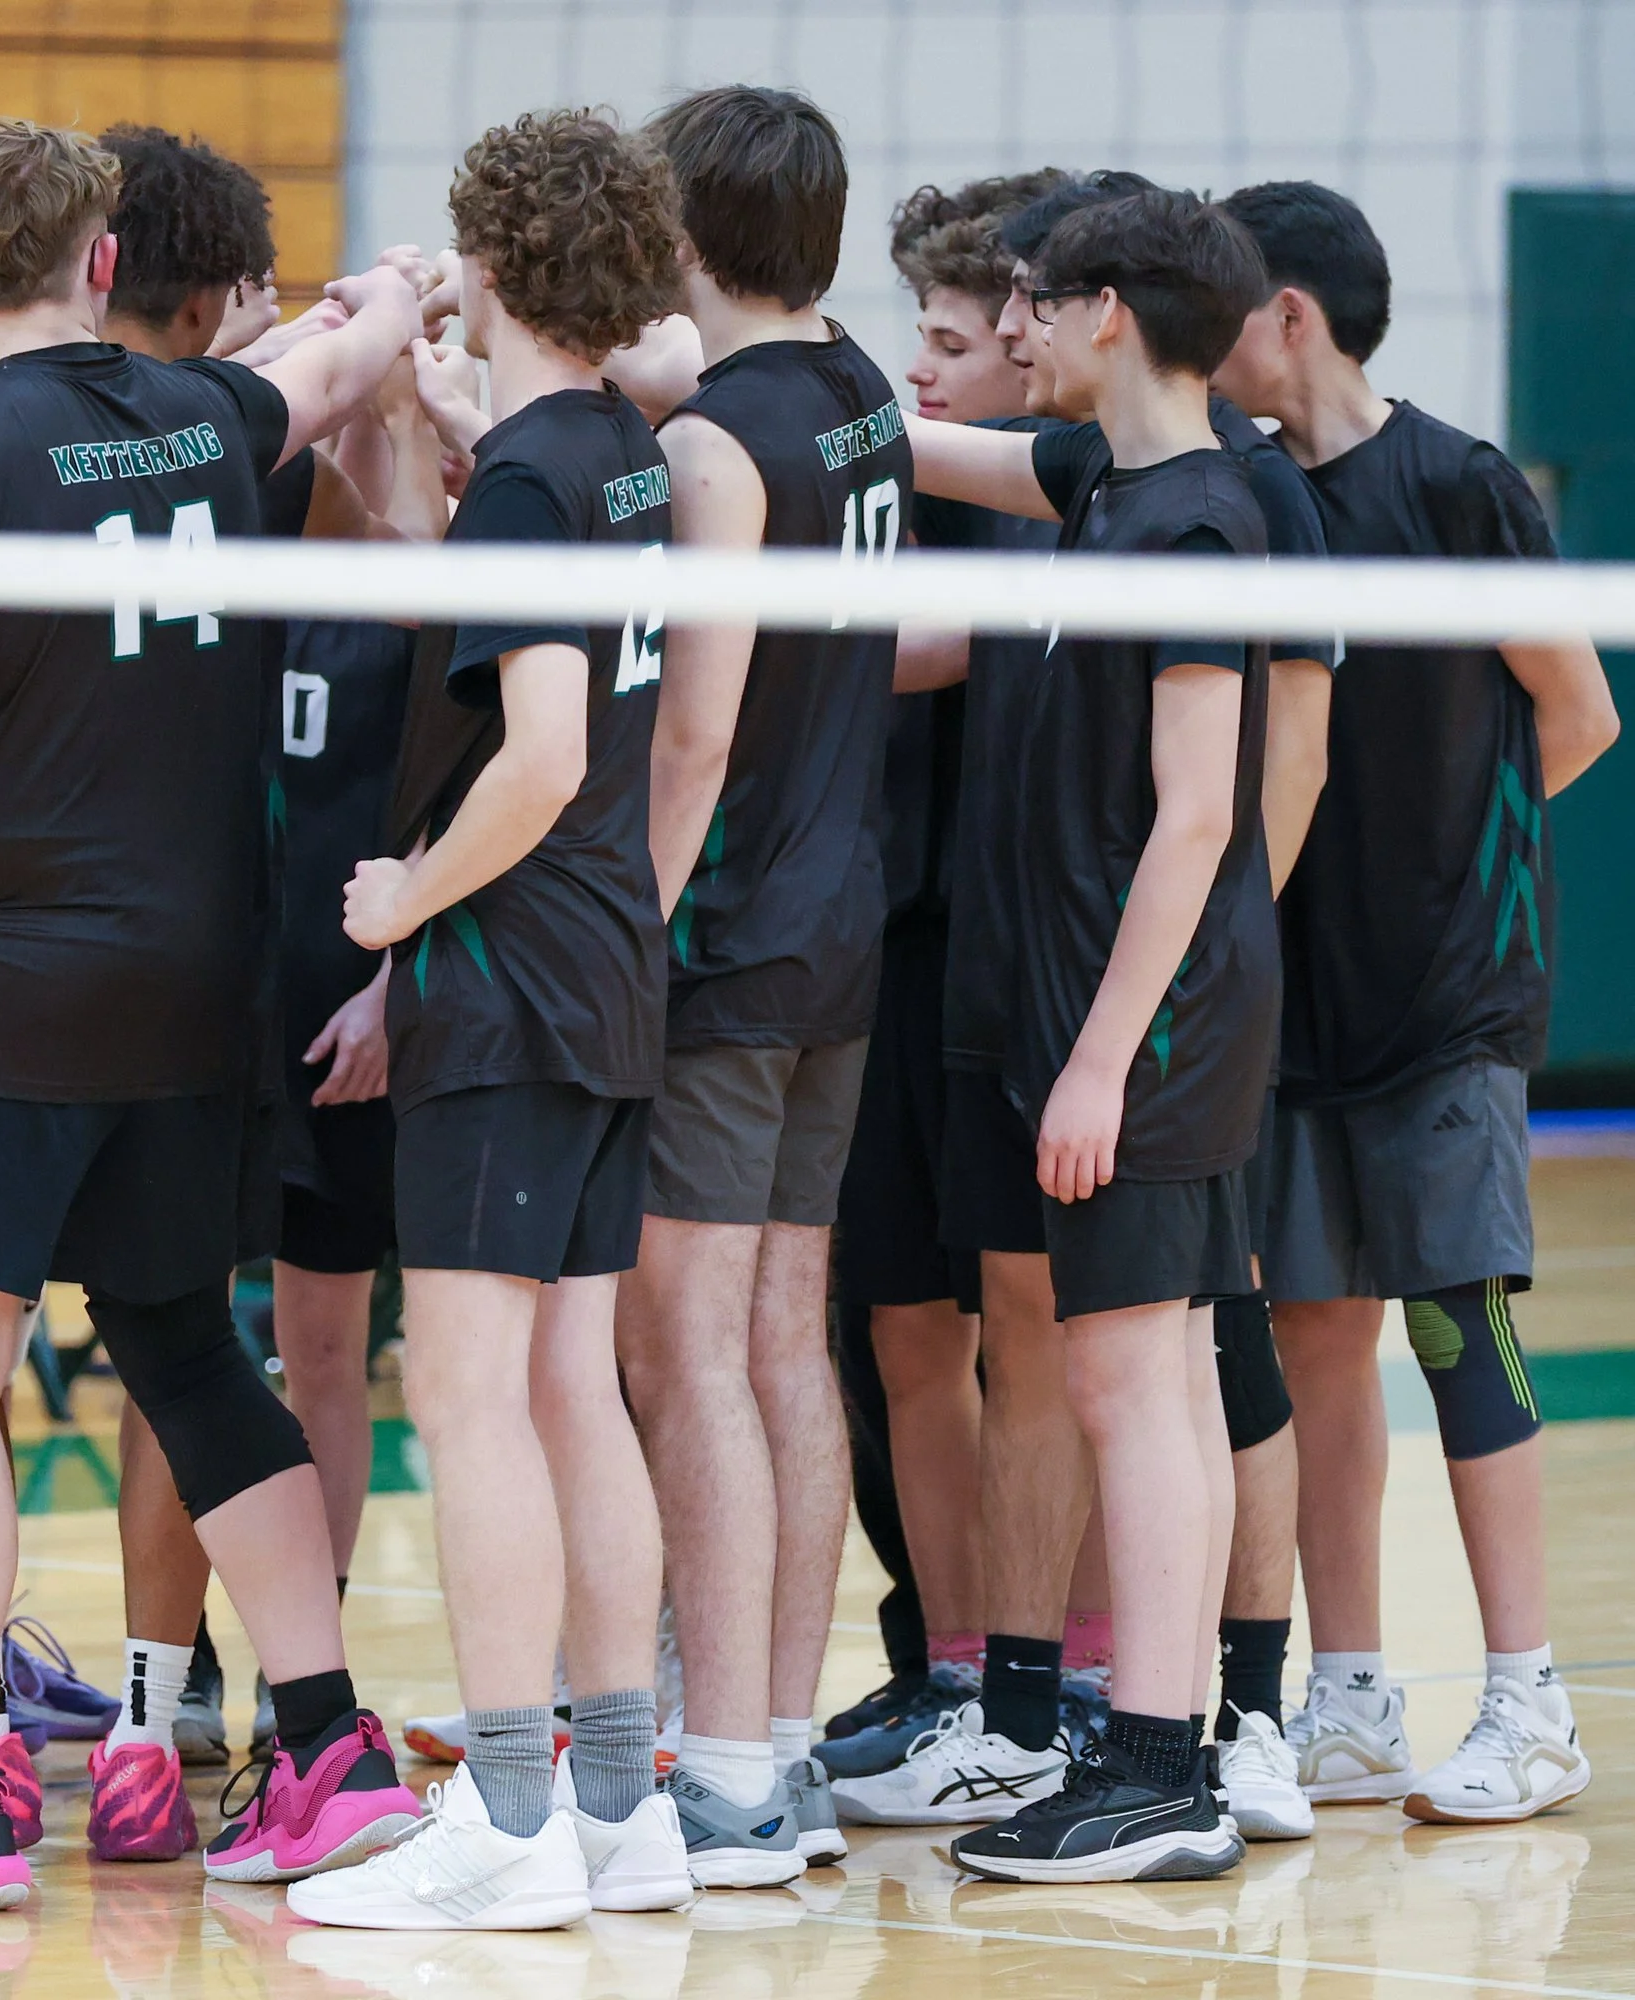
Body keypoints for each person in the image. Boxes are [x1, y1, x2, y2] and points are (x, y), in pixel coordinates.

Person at [0, 117, 428, 1913]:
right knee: (196, 1356)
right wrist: (408, 290)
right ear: (107, 265)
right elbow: (343, 356)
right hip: (194, 995)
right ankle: (331, 1748)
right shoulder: (212, 422)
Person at [286, 109, 690, 1933]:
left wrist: (403, 899)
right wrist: (461, 426)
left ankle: (510, 1817)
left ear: (502, 266)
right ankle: (621, 1811)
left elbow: (537, 758)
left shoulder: (539, 482)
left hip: (509, 978)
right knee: (570, 1391)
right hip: (611, 973)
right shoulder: (616, 456)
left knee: (467, 1397)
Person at [1213, 180, 1619, 1824]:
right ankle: (1356, 1696)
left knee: (1461, 1325)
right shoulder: (1241, 496)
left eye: (1225, 304)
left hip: (1447, 1001)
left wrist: (1463, 876)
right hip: (1295, 1000)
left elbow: (1577, 715)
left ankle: (1529, 1703)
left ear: (1291, 314)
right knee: (1319, 1338)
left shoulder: (1455, 484)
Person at [70, 126, 447, 1858]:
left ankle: (320, 1689)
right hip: (199, 987)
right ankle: (163, 1699)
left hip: (342, 992)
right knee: (178, 1335)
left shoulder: (395, 544)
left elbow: (450, 779)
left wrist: (392, 982)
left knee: (312, 1350)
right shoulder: (193, 486)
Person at [900, 187, 1278, 1883]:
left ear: (1110, 312)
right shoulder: (1097, 487)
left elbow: (1199, 822)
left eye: (1037, 305)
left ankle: (1155, 1772)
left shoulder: (1198, 525)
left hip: (1156, 1028)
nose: (1017, 330)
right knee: (1165, 1376)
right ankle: (1164, 1759)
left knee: (1133, 1378)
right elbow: (925, 452)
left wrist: (1103, 1057)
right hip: (1111, 1016)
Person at [603, 83, 900, 1890]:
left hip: (723, 941)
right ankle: (776, 1748)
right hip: (843, 925)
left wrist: (619, 925)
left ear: (688, 234)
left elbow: (695, 728)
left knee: (684, 1350)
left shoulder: (721, 449)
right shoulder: (859, 395)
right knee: (785, 1344)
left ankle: (715, 1772)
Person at [818, 170, 1061, 1768]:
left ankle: (1084, 1668)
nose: (920, 365)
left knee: (1055, 1340)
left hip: (1026, 968)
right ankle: (955, 1665)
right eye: (915, 334)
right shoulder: (896, 483)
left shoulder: (1088, 492)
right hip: (885, 956)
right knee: (898, 1330)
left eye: (953, 339)